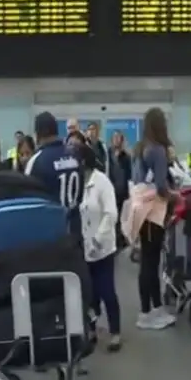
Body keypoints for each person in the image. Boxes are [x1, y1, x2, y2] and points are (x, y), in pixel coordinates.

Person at [131, 107, 178, 330]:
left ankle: (153, 309)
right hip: (155, 212)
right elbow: (161, 186)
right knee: (151, 263)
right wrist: (175, 196)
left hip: (141, 211)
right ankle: (147, 312)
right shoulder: (158, 150)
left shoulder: (140, 149)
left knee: (147, 262)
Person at [79, 145, 122, 351]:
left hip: (103, 247)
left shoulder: (101, 181)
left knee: (107, 291)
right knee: (89, 294)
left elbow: (111, 213)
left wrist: (97, 239)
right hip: (83, 248)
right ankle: (92, 330)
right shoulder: (75, 183)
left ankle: (115, 332)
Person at [26, 112, 84, 239]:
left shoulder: (37, 161)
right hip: (74, 232)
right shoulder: (75, 156)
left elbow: (29, 204)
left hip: (49, 237)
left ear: (37, 135)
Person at [108, 131, 132, 247]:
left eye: (119, 138)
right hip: (111, 190)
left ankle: (120, 239)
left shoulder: (126, 157)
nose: (116, 140)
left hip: (122, 190)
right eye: (115, 137)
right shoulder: (108, 155)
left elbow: (129, 175)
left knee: (121, 217)